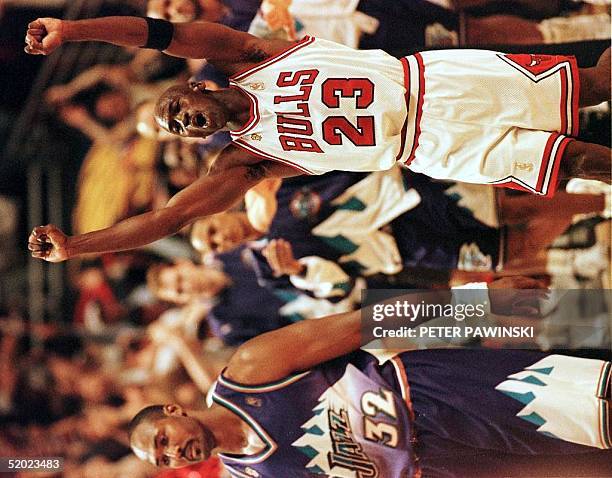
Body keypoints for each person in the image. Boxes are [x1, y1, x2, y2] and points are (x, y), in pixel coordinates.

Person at [24, 16, 610, 264]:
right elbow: (168, 220)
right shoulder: (246, 161)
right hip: (427, 148)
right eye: (176, 128)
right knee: (578, 159)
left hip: (434, 82)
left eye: (176, 107)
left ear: (198, 84)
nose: (180, 122)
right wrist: (80, 247)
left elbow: (161, 33)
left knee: (594, 85)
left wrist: (74, 30)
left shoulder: (253, 56)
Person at [125, 276, 612, 476]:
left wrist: (478, 300)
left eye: (163, 438)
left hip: (428, 395)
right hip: (441, 466)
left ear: (174, 410)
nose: (172, 452)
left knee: (595, 405)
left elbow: (366, 322)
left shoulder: (252, 371)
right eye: (163, 458)